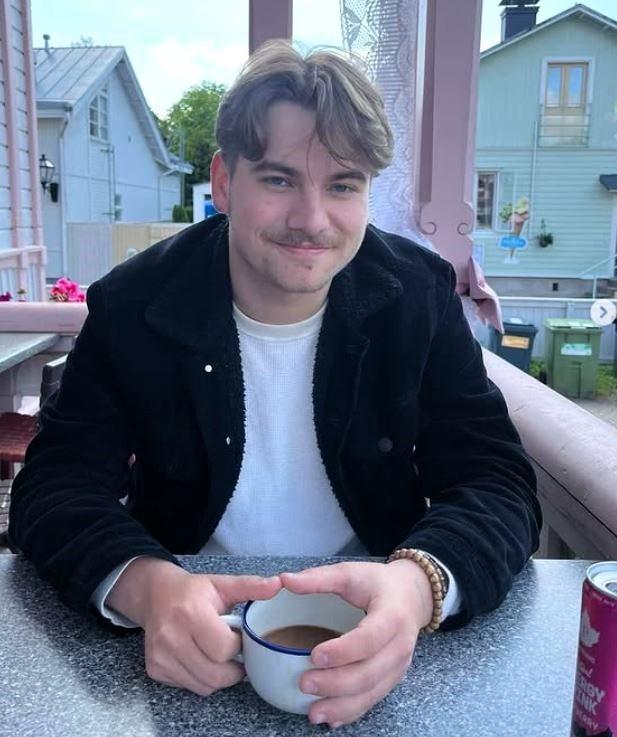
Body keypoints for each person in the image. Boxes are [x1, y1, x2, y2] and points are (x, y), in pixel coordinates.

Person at [8, 41, 542, 728]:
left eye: (343, 185)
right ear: (224, 181)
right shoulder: (134, 305)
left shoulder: (418, 295)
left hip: (375, 639)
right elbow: (54, 487)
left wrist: (416, 588)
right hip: (185, 643)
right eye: (279, 180)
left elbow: (496, 481)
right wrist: (149, 587)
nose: (311, 221)